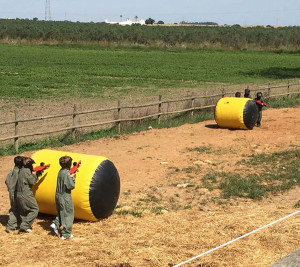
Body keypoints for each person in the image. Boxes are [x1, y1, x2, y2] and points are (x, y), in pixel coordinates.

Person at [50, 156, 76, 240]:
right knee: (68, 214)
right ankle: (66, 234)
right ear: (69, 164)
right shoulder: (66, 174)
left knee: (62, 212)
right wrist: (73, 177)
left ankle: (56, 224)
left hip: (58, 195)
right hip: (65, 196)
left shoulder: (60, 172)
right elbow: (71, 186)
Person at [16, 157, 39, 233]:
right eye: (31, 165)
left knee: (24, 211)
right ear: (28, 165)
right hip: (25, 194)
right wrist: (36, 175)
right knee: (35, 209)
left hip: (18, 194)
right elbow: (32, 181)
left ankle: (24, 226)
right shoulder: (26, 171)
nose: (32, 166)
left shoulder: (21, 170)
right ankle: (24, 225)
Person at [5, 156, 23, 232]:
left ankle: (14, 224)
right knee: (19, 208)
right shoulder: (20, 173)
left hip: (11, 193)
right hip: (17, 193)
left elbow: (6, 182)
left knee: (14, 208)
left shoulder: (10, 172)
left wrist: (10, 189)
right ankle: (11, 225)